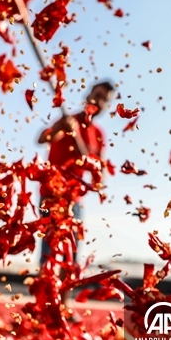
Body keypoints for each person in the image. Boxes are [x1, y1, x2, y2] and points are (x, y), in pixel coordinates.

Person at [37, 80, 114, 270]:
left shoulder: (98, 134)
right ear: (88, 96)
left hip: (75, 199)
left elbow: (100, 168)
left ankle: (64, 301)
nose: (99, 102)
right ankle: (43, 297)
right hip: (51, 194)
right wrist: (60, 129)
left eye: (104, 100)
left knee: (70, 256)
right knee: (49, 250)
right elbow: (41, 139)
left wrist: (99, 180)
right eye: (97, 96)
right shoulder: (67, 120)